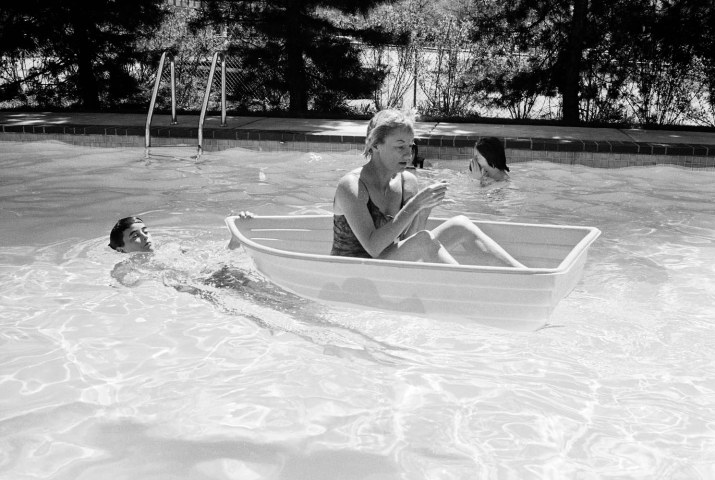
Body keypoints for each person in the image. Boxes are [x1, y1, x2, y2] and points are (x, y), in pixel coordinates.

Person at [331, 109, 525, 267]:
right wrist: (414, 207)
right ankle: (472, 292)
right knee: (424, 240)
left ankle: (528, 278)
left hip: (387, 268)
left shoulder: (407, 181)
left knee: (460, 224)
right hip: (355, 272)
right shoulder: (352, 186)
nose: (408, 154)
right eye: (400, 147)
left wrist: (424, 211)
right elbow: (374, 247)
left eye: (410, 146)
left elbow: (409, 241)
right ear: (375, 145)